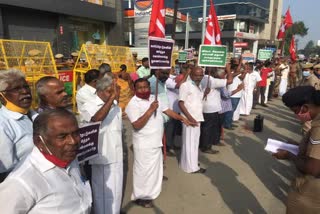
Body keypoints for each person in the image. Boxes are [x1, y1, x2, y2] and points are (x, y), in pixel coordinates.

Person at [0, 109, 92, 213]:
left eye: (76, 133)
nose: (73, 141)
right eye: (62, 137)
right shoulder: (21, 182)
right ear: (39, 141)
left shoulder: (70, 157)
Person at [125, 78, 190, 208]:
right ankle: (141, 197)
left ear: (150, 87)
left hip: (156, 142)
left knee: (154, 169)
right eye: (140, 88)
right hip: (144, 144)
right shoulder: (133, 104)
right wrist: (150, 110)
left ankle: (151, 193)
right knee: (143, 171)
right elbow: (137, 125)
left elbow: (168, 111)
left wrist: (182, 118)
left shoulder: (154, 99)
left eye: (146, 87)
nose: (144, 90)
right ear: (134, 89)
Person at [273, 86, 320, 214]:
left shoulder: (318, 128)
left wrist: (289, 156)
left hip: (313, 191)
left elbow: (313, 168)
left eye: (295, 111)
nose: (296, 116)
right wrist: (298, 146)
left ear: (305, 108)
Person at [80, 75, 123, 214]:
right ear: (101, 90)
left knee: (116, 191)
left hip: (116, 155)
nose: (114, 94)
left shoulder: (115, 106)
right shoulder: (89, 105)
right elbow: (95, 120)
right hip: (102, 156)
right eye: (110, 91)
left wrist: (112, 100)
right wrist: (111, 99)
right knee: (103, 193)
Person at [0, 69, 38, 181]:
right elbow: (5, 170)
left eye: (26, 87)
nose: (25, 92)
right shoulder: (3, 124)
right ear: (2, 96)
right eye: (16, 89)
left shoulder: (35, 115)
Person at [179, 66, 207, 173]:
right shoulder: (185, 86)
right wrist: (190, 118)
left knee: (194, 142)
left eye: (201, 75)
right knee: (190, 143)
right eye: (196, 75)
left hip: (197, 118)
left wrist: (205, 93)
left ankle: (191, 163)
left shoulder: (199, 86)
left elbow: (196, 101)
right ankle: (191, 168)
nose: (199, 77)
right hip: (189, 119)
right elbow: (181, 103)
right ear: (191, 75)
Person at [199, 65, 233, 154]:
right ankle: (206, 147)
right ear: (213, 72)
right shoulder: (212, 81)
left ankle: (202, 144)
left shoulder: (202, 78)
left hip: (203, 106)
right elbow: (230, 81)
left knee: (204, 127)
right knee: (208, 129)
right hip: (211, 109)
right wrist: (228, 70)